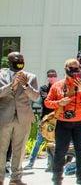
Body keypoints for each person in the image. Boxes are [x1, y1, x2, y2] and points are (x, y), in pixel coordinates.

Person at [45, 58, 81, 185]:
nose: (75, 71)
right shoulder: (57, 86)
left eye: (77, 68)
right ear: (66, 69)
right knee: (60, 151)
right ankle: (57, 178)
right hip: (62, 122)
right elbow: (47, 102)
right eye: (72, 68)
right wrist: (59, 103)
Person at [0, 52, 40, 185]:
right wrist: (12, 85)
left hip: (23, 118)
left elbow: (35, 97)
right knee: (1, 149)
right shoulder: (1, 75)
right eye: (17, 60)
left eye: (22, 60)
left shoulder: (31, 77)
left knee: (20, 149)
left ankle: (16, 179)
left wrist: (25, 85)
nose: (20, 62)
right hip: (3, 118)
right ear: (9, 62)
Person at [25, 69, 58, 171]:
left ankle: (50, 164)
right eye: (50, 76)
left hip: (57, 119)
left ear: (56, 77)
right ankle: (30, 163)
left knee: (52, 142)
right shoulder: (43, 88)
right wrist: (58, 101)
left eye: (53, 76)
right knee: (39, 141)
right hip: (45, 119)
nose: (51, 78)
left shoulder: (61, 87)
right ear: (47, 77)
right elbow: (45, 100)